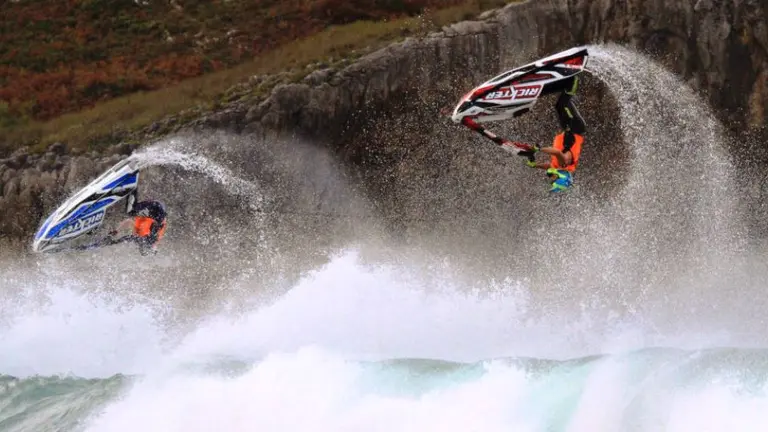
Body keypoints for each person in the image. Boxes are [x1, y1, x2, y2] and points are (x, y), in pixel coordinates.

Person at [503, 76, 586, 193]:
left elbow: (549, 165)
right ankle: (574, 80)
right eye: (553, 179)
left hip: (568, 128)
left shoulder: (560, 166)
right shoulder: (565, 162)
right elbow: (556, 152)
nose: (551, 179)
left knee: (559, 106)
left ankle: (564, 83)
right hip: (575, 126)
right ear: (561, 177)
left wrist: (535, 165)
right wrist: (539, 149)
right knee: (563, 104)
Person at [79, 194, 167, 255]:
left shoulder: (140, 235)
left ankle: (132, 190)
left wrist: (114, 233)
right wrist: (113, 240)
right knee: (131, 213)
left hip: (154, 212)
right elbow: (153, 242)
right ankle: (131, 187)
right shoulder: (148, 238)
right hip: (157, 213)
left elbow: (129, 222)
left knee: (132, 212)